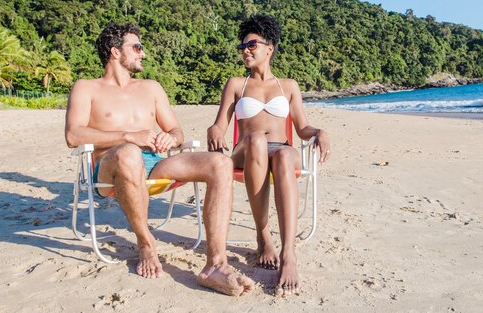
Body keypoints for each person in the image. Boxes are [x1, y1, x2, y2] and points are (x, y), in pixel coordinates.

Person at [65, 23, 254, 296]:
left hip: (154, 163)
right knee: (129, 152)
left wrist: (171, 139)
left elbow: (176, 132)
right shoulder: (86, 88)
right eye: (137, 47)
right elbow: (73, 134)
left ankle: (216, 264)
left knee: (220, 163)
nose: (143, 53)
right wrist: (130, 136)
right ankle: (146, 244)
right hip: (110, 168)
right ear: (114, 51)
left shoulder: (151, 88)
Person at [207, 15, 330, 296]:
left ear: (269, 48)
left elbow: (301, 128)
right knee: (256, 140)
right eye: (242, 46)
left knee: (285, 156)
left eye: (251, 44)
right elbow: (220, 124)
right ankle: (263, 235)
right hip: (246, 150)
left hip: (281, 151)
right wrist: (213, 129)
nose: (245, 50)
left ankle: (289, 254)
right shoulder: (236, 84)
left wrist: (319, 131)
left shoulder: (288, 86)